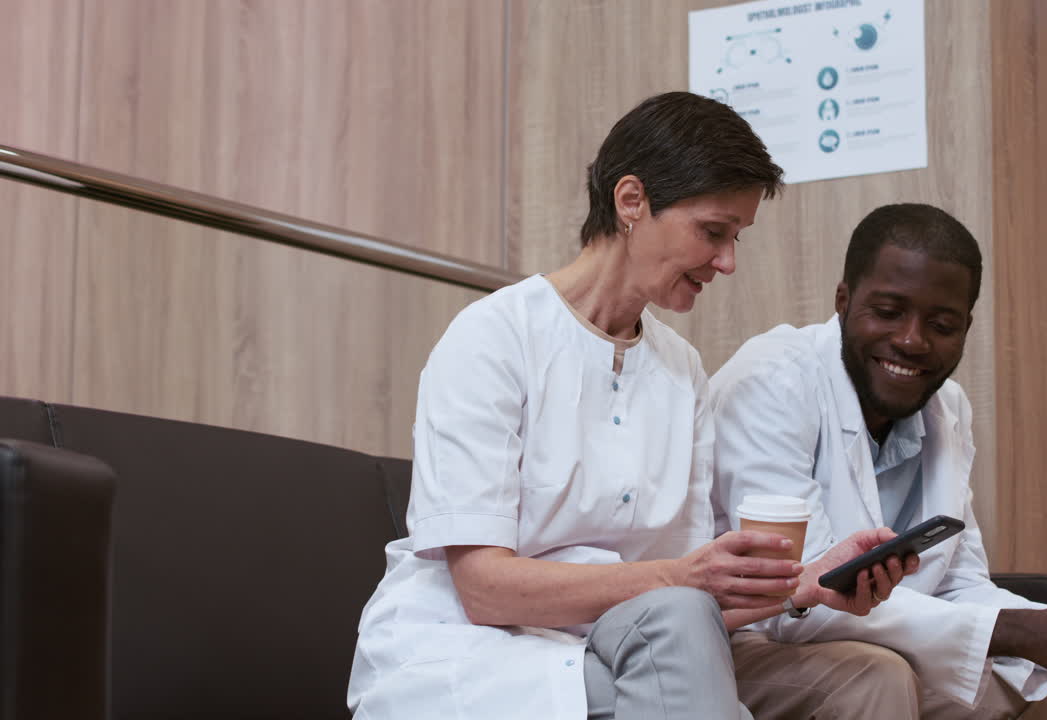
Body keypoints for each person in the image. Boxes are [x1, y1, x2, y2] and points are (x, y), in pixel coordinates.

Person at [347, 93, 913, 720]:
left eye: (736, 239)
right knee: (675, 635)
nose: (727, 262)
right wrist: (682, 584)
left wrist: (804, 586)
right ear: (631, 201)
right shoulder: (494, 338)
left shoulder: (682, 372)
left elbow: (688, 594)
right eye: (713, 232)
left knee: (870, 677)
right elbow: (483, 590)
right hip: (485, 650)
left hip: (644, 642)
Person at [710, 203, 1047, 719]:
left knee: (1035, 688)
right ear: (843, 301)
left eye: (942, 324)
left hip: (875, 644)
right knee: (876, 675)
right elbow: (800, 596)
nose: (912, 340)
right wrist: (1020, 631)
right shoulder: (772, 379)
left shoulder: (947, 406)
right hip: (747, 642)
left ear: (966, 328)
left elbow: (959, 581)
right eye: (888, 312)